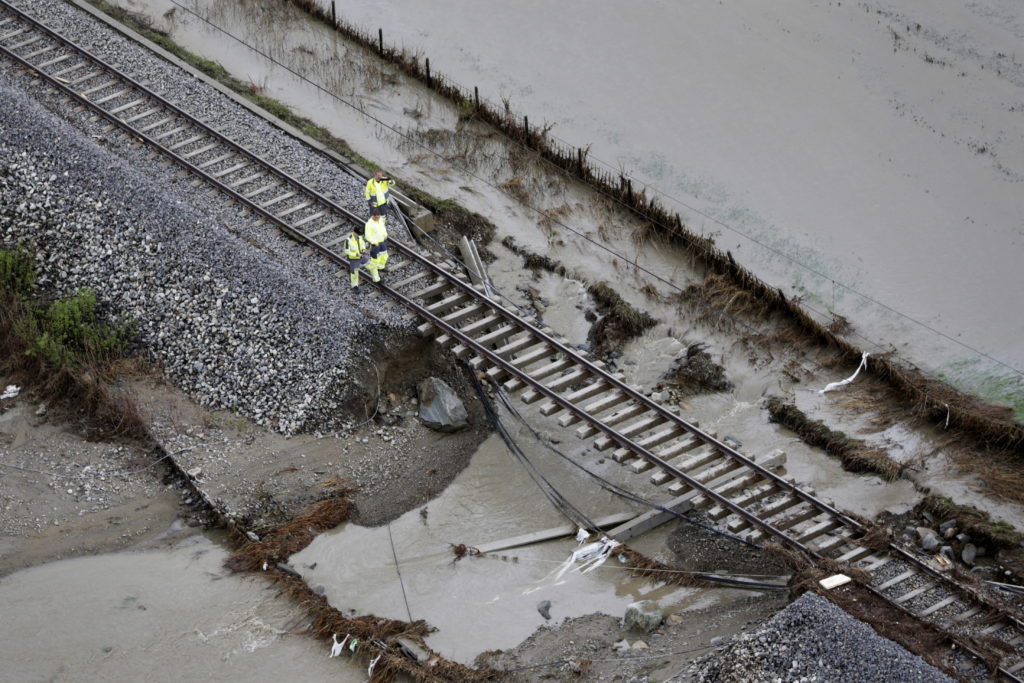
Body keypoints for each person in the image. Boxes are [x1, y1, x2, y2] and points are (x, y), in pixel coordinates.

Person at [364, 209, 389, 275]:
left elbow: (383, 228)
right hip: (375, 244)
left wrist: (385, 234)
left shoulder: (380, 220)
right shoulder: (369, 224)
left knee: (384, 255)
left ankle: (380, 267)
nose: (378, 218)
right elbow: (367, 236)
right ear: (373, 216)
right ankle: (372, 269)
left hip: (382, 241)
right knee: (375, 258)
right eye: (377, 217)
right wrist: (374, 242)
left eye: (379, 217)